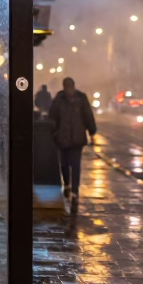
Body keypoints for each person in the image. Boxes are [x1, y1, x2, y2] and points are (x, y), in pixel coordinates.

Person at [49, 77, 96, 214]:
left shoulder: (81, 98)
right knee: (64, 164)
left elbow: (88, 115)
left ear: (73, 86)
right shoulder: (59, 98)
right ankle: (67, 185)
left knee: (75, 165)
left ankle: (74, 190)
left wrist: (91, 130)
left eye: (70, 86)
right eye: (66, 87)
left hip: (76, 138)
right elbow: (53, 116)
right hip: (63, 138)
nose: (68, 89)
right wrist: (54, 131)